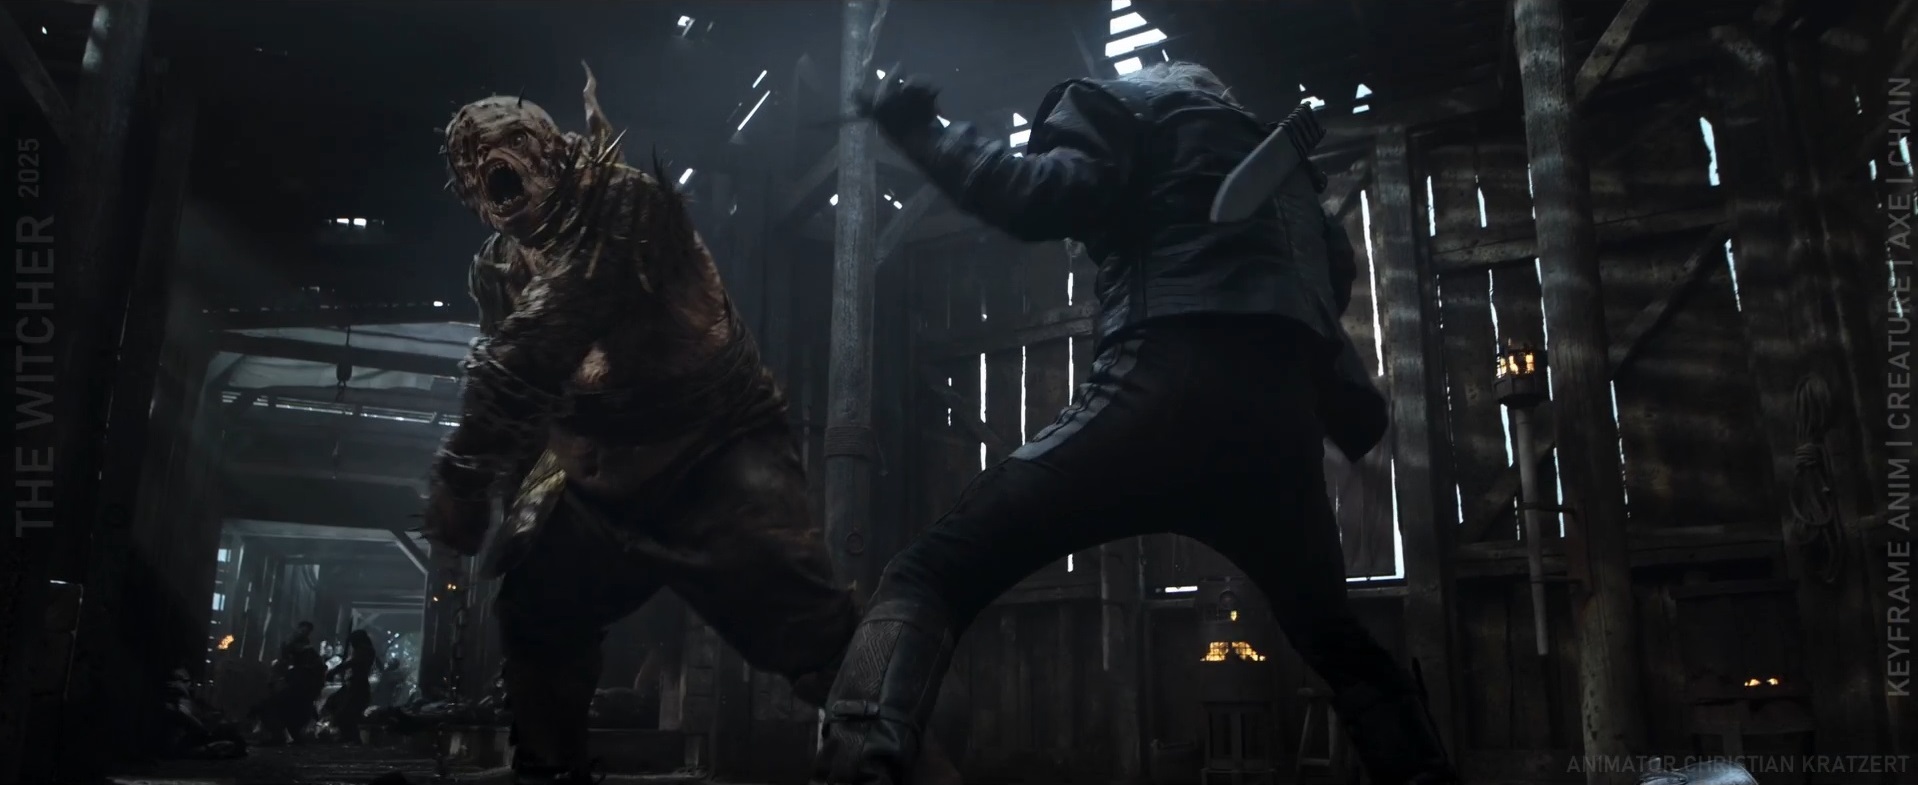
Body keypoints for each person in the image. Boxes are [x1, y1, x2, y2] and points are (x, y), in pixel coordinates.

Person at [810, 62, 1457, 785]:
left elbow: (1033, 196)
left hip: (1163, 388)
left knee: (928, 573)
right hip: (1279, 431)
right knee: (1338, 642)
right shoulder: (1294, 179)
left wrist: (918, 128)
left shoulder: (1119, 104)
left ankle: (858, 767)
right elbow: (1330, 286)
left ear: (1163, 76)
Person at [422, 68, 961, 785]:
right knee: (537, 610)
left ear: (552, 144)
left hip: (714, 455)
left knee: (817, 641)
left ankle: (918, 773)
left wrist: (465, 473)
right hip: (599, 479)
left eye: (515, 141)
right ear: (467, 192)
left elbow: (543, 337)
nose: (495, 164)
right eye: (472, 163)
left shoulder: (627, 203)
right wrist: (507, 492)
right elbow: (524, 393)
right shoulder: (496, 270)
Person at [325, 629, 381, 743]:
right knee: (343, 712)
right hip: (354, 685)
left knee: (346, 714)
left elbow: (352, 663)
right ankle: (350, 739)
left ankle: (352, 739)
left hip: (358, 686)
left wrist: (335, 671)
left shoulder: (364, 651)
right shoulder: (363, 651)